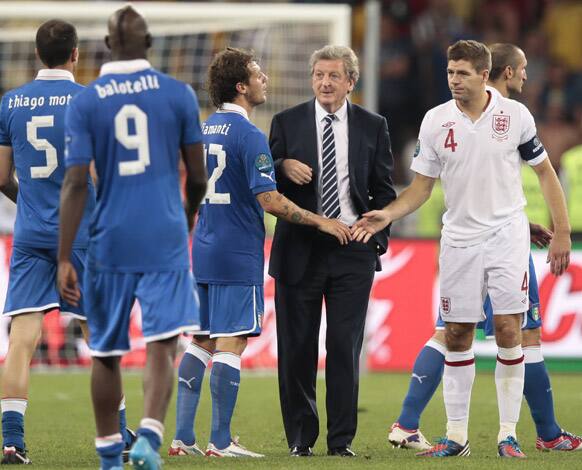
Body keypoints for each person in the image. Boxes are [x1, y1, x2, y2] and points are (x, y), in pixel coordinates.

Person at [352, 40, 571, 458]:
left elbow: (545, 173)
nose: (454, 80)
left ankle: (508, 435)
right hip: (458, 241)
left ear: (484, 74)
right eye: (450, 72)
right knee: (456, 334)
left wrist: (562, 231)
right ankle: (456, 437)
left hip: (507, 237)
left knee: (510, 329)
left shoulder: (515, 115)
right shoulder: (435, 121)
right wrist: (388, 214)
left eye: (462, 73)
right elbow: (420, 187)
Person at [169, 47, 351, 459]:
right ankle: (219, 441)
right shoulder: (250, 135)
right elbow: (269, 199)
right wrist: (321, 220)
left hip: (204, 247)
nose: (264, 79)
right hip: (236, 252)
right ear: (241, 86)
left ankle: (183, 437)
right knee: (231, 343)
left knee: (200, 341)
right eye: (256, 74)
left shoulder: (206, 128)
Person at [57, 6, 207, 470]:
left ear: (105, 45)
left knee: (106, 353)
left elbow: (76, 183)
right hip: (162, 233)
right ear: (149, 45)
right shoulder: (178, 94)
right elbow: (198, 176)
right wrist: (185, 216)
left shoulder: (87, 100)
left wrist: (65, 257)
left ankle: (108, 460)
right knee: (162, 343)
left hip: (109, 239)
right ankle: (148, 436)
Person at [0, 19, 133, 465]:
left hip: (31, 234)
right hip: (84, 234)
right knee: (99, 336)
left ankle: (12, 439)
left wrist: (34, 206)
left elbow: (1, 177)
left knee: (22, 337)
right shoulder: (91, 101)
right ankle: (120, 433)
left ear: (38, 55)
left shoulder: (11, 102)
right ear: (76, 54)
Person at [269, 45, 396, 457]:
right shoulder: (285, 123)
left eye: (334, 76)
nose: (325, 82)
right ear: (312, 79)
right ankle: (300, 440)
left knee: (344, 347)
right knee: (296, 349)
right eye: (319, 75)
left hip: (352, 252)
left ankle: (341, 443)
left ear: (350, 82)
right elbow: (263, 180)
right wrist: (282, 163)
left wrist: (374, 233)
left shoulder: (372, 126)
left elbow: (384, 189)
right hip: (299, 248)